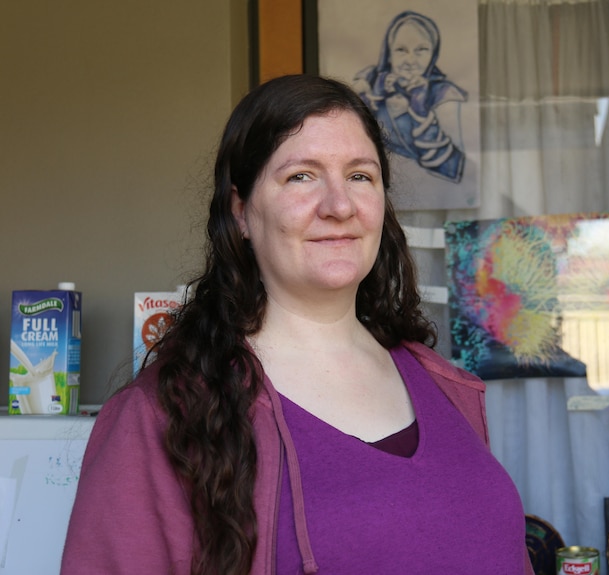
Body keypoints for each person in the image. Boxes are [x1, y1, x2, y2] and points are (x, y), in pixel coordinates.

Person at [60, 74, 533, 575]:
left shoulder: (447, 387)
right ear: (241, 212)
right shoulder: (164, 415)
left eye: (360, 176)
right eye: (301, 176)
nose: (339, 206)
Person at [353, 10, 467, 183]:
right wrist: (373, 100)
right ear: (388, 54)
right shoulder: (369, 81)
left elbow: (452, 167)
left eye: (421, 50)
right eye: (401, 50)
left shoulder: (445, 95)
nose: (410, 60)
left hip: (432, 191)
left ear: (433, 55)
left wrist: (420, 113)